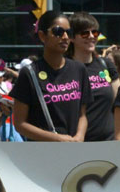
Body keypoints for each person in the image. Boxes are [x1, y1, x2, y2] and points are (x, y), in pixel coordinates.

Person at [9, 11, 90, 142]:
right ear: (42, 36)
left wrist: (79, 137)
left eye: (68, 32)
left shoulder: (79, 69)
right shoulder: (29, 73)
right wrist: (56, 138)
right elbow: (20, 123)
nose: (64, 37)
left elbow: (82, 115)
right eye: (58, 31)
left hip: (74, 150)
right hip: (42, 153)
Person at [68, 12, 119, 141]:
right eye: (85, 33)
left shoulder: (105, 64)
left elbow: (119, 103)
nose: (91, 37)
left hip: (109, 141)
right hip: (77, 143)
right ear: (72, 38)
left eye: (95, 33)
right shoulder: (64, 69)